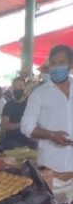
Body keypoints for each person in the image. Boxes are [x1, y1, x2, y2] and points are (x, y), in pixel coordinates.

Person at [21, 44, 73, 175]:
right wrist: (51, 135)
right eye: (53, 64)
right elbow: (26, 126)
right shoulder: (39, 94)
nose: (56, 67)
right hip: (50, 165)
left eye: (61, 63)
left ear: (70, 65)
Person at [2, 77, 33, 150]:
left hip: (29, 141)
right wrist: (20, 124)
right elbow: (4, 125)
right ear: (12, 89)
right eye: (15, 87)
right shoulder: (8, 105)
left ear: (24, 88)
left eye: (20, 86)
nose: (17, 89)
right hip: (12, 141)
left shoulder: (30, 104)